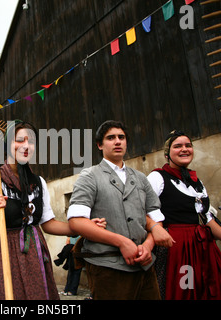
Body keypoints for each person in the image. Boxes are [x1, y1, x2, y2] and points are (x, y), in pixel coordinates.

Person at [0, 120, 105, 300]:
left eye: (31, 141)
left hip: (33, 255)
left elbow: (48, 224)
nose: (26, 146)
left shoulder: (38, 182)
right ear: (7, 144)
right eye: (19, 140)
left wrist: (83, 227)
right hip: (1, 256)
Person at [147, 130, 221, 300]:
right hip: (179, 250)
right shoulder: (157, 177)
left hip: (204, 248)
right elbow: (145, 211)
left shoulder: (197, 183)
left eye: (188, 145)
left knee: (210, 289)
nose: (184, 149)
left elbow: (207, 220)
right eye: (177, 146)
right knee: (187, 290)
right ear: (167, 153)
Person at [67, 120, 164, 300]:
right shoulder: (89, 176)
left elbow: (155, 218)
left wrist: (148, 246)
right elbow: (76, 221)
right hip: (107, 267)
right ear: (100, 145)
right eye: (110, 138)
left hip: (144, 266)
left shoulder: (141, 178)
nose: (117, 141)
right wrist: (121, 242)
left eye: (121, 137)